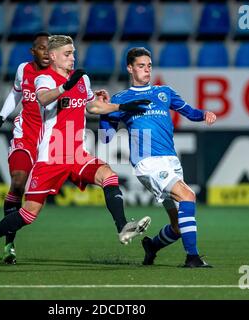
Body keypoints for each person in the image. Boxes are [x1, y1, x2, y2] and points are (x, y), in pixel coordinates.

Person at [0, 35, 151, 268]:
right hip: (51, 155)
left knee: (109, 175)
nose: (72, 57)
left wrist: (121, 107)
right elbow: (43, 98)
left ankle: (123, 227)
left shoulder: (82, 78)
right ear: (53, 56)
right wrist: (65, 86)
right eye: (67, 54)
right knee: (29, 214)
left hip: (77, 152)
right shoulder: (43, 78)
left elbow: (92, 105)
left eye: (74, 53)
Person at [99, 47, 217, 268]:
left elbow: (190, 112)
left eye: (149, 66)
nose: (147, 70)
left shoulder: (164, 92)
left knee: (178, 225)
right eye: (141, 66)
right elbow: (106, 137)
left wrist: (204, 114)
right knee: (188, 196)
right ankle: (192, 258)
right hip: (148, 163)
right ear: (130, 68)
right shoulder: (122, 99)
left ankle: (151, 246)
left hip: (171, 161)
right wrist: (106, 111)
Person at [0, 32, 51, 264]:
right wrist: (2, 116)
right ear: (33, 51)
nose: (46, 52)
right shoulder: (24, 69)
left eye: (49, 48)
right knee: (19, 180)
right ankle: (9, 244)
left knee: (34, 205)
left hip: (50, 141)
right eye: (41, 48)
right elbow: (16, 92)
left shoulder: (61, 73)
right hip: (25, 134)